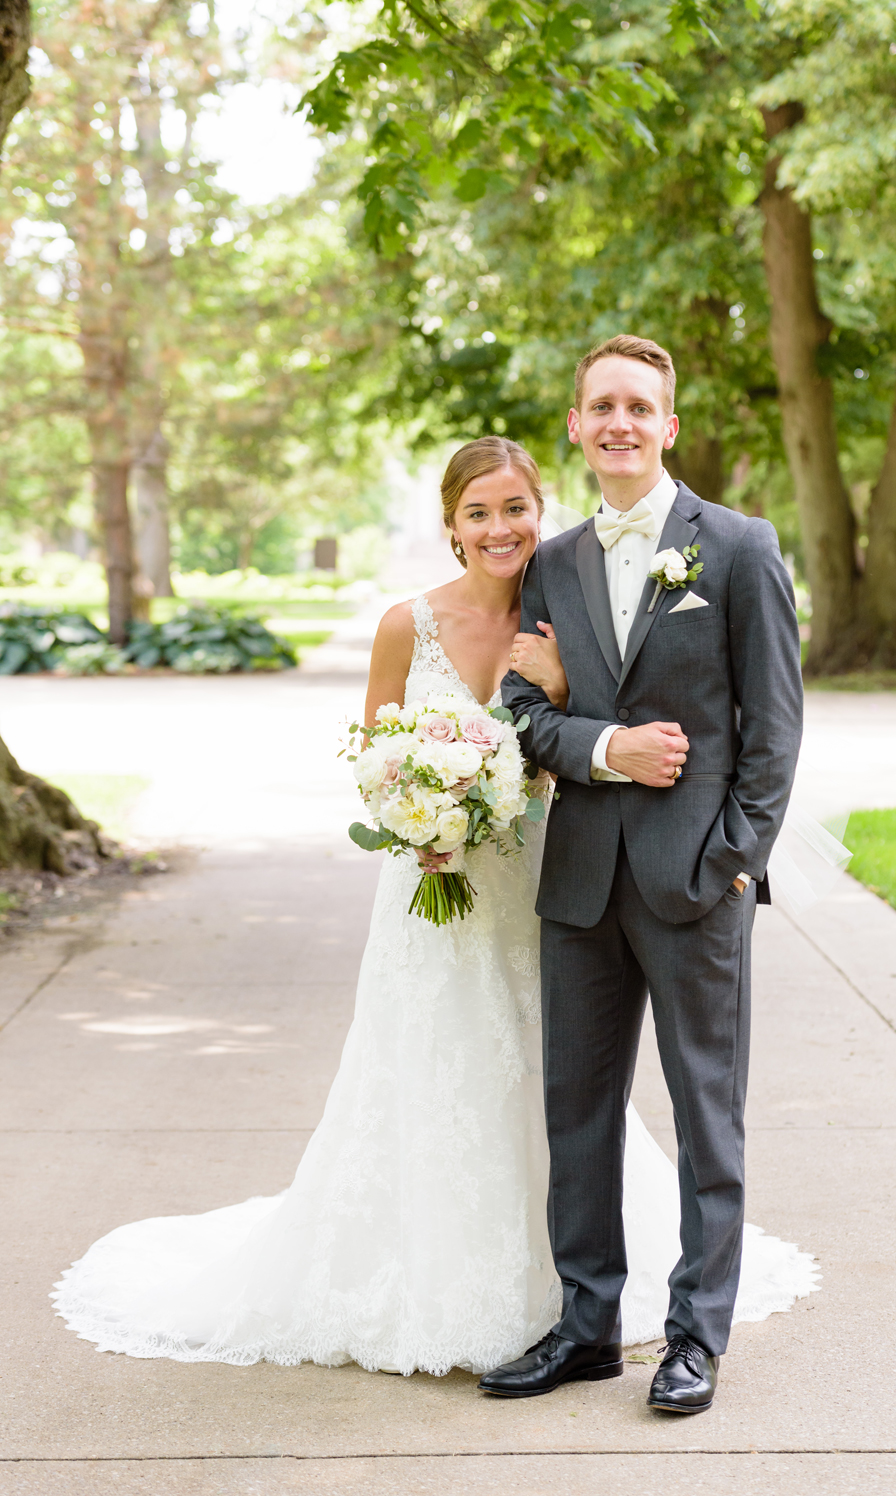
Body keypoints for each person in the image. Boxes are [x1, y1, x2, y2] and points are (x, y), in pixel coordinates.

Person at [50, 436, 818, 1376]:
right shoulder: (422, 619)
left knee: (604, 1100)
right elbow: (383, 758)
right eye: (479, 513)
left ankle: (670, 1327)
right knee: (498, 1092)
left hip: (558, 866)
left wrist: (718, 838)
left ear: (543, 508)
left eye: (515, 509)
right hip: (452, 883)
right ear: (451, 525)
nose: (501, 528)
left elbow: (708, 719)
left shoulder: (572, 589)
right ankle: (555, 1317)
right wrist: (420, 813)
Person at [484, 335, 804, 1415]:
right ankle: (584, 1326)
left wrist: (734, 861)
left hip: (694, 878)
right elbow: (525, 711)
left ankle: (695, 1335)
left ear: (667, 424)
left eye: (638, 405)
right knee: (577, 1113)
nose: (618, 422)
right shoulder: (551, 560)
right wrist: (601, 749)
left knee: (707, 1112)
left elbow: (774, 727)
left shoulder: (741, 546)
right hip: (578, 878)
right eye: (599, 406)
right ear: (574, 426)